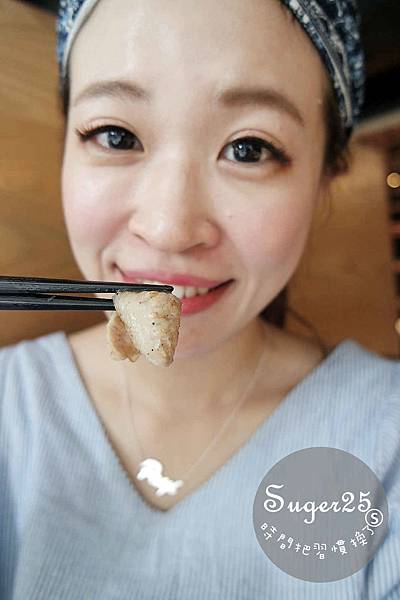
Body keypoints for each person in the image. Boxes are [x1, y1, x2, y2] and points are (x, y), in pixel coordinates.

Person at [1, 0, 399, 598]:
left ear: (324, 180)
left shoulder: (386, 440)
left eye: (249, 148)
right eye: (116, 135)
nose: (169, 228)